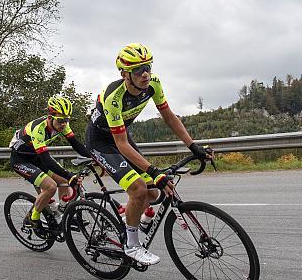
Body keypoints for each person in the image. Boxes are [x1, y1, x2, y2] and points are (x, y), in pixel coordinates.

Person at [86, 43, 213, 265]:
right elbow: (121, 144)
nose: (145, 74)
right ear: (125, 74)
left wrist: (193, 146)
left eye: (147, 67)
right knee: (138, 188)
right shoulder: (113, 96)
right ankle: (131, 245)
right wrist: (154, 170)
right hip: (102, 142)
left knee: (154, 194)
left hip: (121, 135)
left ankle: (130, 219)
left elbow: (169, 117)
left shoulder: (153, 84)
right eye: (137, 70)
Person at [9, 96, 89, 231]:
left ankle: (62, 214)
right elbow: (46, 160)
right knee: (50, 187)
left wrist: (97, 159)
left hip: (36, 157)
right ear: (50, 117)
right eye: (61, 120)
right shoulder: (38, 129)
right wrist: (70, 176)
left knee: (64, 180)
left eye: (66, 120)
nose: (64, 124)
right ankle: (32, 218)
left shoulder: (62, 124)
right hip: (21, 160)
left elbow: (77, 145)